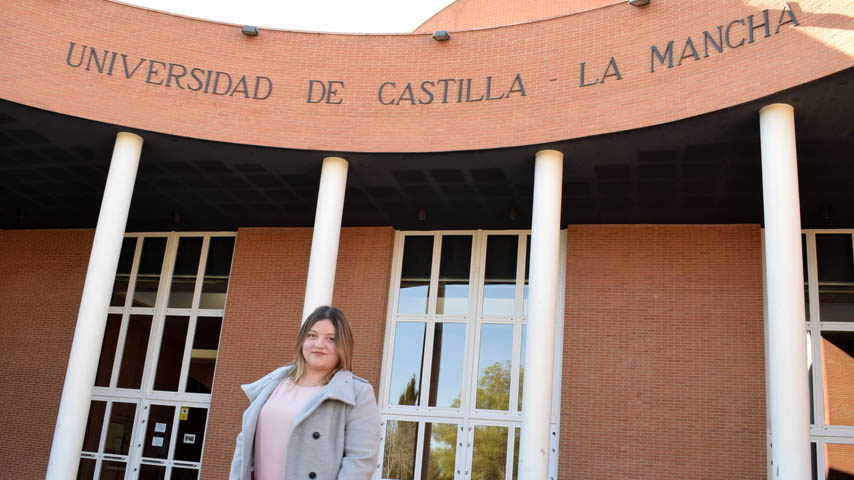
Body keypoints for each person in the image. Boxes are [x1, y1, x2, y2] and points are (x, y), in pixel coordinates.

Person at [229, 305, 381, 480]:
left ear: (343, 345)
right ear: (302, 340)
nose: (318, 344)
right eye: (312, 335)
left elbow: (359, 463)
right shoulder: (272, 384)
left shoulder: (357, 393)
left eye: (331, 339)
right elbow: (243, 447)